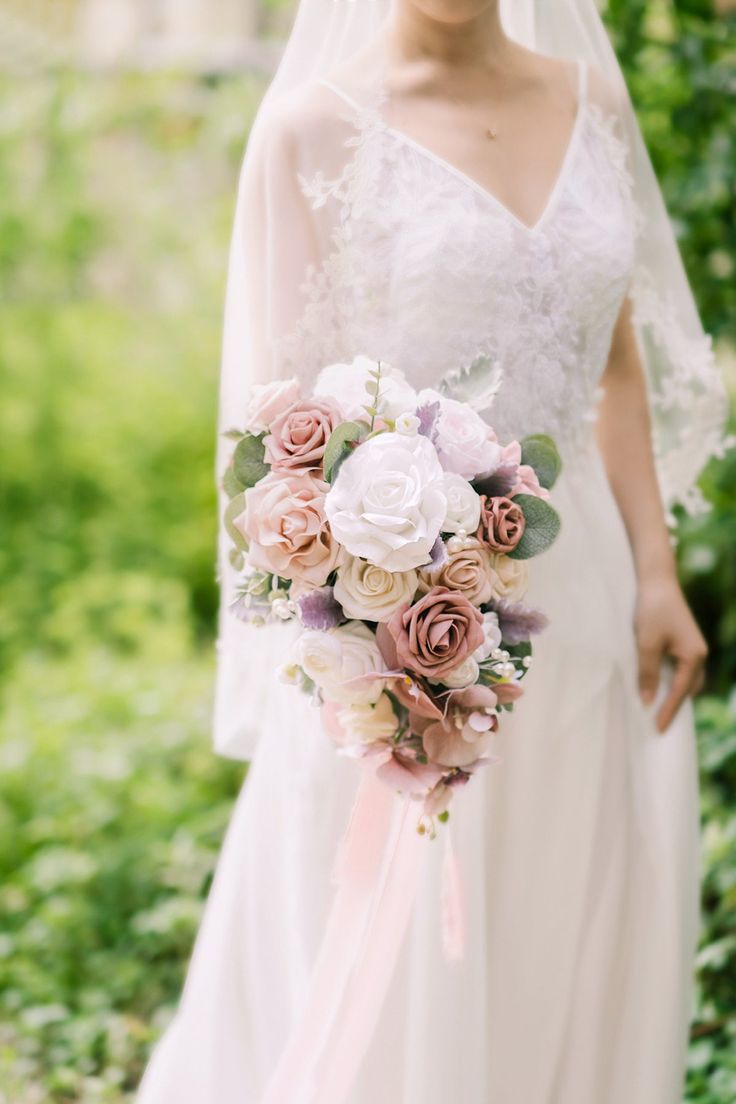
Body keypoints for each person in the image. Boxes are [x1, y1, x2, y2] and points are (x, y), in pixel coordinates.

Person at [136, 2, 728, 1101]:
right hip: (407, 623)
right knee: (400, 941)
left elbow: (615, 371)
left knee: (568, 906)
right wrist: (379, 645)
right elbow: (280, 432)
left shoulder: (590, 99)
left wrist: (655, 570)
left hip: (588, 601)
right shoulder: (312, 130)